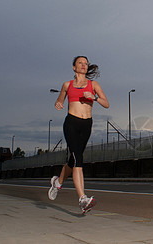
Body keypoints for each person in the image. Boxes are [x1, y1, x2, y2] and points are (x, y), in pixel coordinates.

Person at [48, 56, 109, 214]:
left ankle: (57, 183)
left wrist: (94, 97)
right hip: (71, 123)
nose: (83, 65)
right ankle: (82, 199)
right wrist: (59, 103)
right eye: (80, 63)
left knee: (72, 160)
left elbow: (106, 103)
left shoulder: (93, 84)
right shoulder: (67, 85)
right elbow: (60, 99)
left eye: (86, 63)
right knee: (78, 159)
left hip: (86, 125)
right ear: (74, 67)